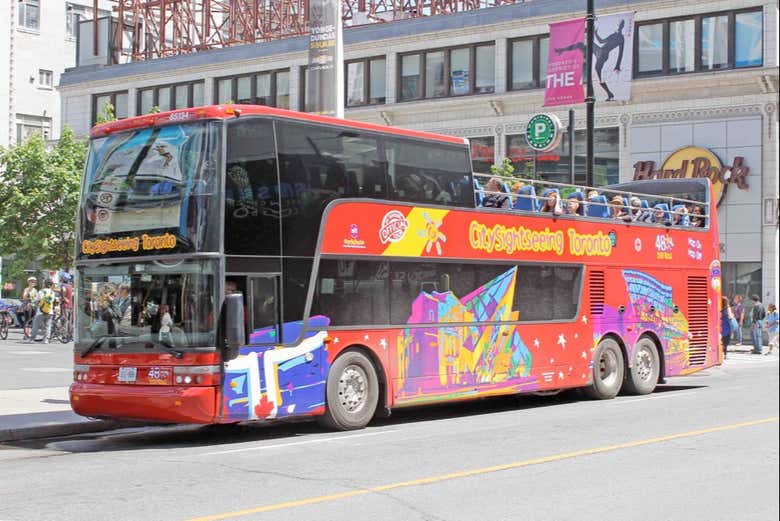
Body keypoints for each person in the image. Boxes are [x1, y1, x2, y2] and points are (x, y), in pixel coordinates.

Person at [555, 19, 626, 101]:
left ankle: (608, 93)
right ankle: (609, 93)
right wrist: (617, 66)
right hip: (601, 53)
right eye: (618, 24)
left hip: (602, 53)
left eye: (619, 25)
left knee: (581, 46)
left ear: (621, 26)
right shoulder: (618, 36)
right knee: (597, 72)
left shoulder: (618, 36)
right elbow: (601, 41)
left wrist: (617, 65)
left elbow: (617, 50)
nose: (618, 26)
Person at [33, 279, 57, 344]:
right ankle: (46, 340)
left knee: (36, 325)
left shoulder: (41, 291)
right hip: (50, 311)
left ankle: (32, 338)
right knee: (48, 326)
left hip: (41, 311)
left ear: (45, 284)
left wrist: (35, 303)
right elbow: (54, 301)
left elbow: (37, 300)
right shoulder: (52, 292)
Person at [21, 277, 38, 342]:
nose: (33, 283)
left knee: (32, 320)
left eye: (34, 282)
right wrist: (27, 296)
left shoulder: (35, 290)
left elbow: (37, 298)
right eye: (32, 282)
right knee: (27, 320)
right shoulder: (26, 289)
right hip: (28, 306)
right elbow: (24, 297)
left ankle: (29, 334)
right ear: (29, 282)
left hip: (34, 306)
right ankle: (26, 334)